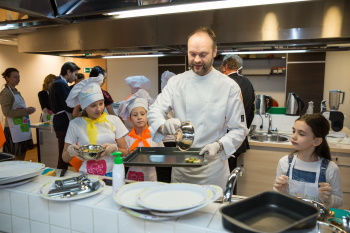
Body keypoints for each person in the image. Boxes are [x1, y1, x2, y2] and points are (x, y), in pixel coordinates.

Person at [147, 27, 248, 189]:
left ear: (215, 52)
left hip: (212, 169)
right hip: (181, 168)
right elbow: (154, 110)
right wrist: (162, 125)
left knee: (211, 212)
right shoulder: (176, 82)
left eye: (203, 54)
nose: (197, 60)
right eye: (192, 54)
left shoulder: (228, 87)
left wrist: (219, 145)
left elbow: (239, 129)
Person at [62, 74, 128, 176]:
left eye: (101, 104)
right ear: (84, 107)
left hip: (112, 174)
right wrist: (71, 151)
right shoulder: (75, 124)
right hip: (86, 175)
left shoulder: (114, 121)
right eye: (93, 106)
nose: (99, 109)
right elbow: (65, 158)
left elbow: (125, 152)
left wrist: (115, 149)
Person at [273, 113, 343, 208]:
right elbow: (276, 193)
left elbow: (339, 200)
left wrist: (329, 199)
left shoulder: (330, 168)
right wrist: (282, 191)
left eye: (301, 134)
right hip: (290, 214)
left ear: (317, 141)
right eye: (293, 131)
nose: (293, 136)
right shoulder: (284, 162)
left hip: (317, 219)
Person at [220, 54, 255, 173]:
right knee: (232, 173)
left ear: (225, 67)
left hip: (226, 139)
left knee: (224, 174)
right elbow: (251, 112)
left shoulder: (226, 83)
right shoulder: (247, 82)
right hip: (239, 139)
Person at [119, 97, 163, 181]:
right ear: (130, 119)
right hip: (132, 177)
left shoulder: (155, 136)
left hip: (151, 177)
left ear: (148, 116)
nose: (139, 117)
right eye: (135, 115)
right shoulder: (127, 138)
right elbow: (124, 158)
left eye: (142, 114)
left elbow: (163, 155)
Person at [49, 62, 80, 169]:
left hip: (60, 120)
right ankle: (61, 175)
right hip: (63, 121)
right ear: (68, 72)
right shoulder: (60, 84)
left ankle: (62, 172)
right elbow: (68, 105)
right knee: (65, 152)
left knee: (64, 150)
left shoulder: (57, 83)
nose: (75, 77)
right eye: (75, 74)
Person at [0, 68, 36, 160]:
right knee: (16, 155)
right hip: (13, 129)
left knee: (22, 153)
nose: (18, 79)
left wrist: (27, 110)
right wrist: (26, 111)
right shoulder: (6, 93)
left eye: (18, 77)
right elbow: (6, 112)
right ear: (7, 78)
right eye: (15, 77)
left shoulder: (15, 91)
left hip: (21, 126)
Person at [156, 70, 176, 183]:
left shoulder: (159, 100)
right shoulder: (178, 100)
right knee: (170, 172)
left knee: (164, 174)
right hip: (173, 142)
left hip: (163, 141)